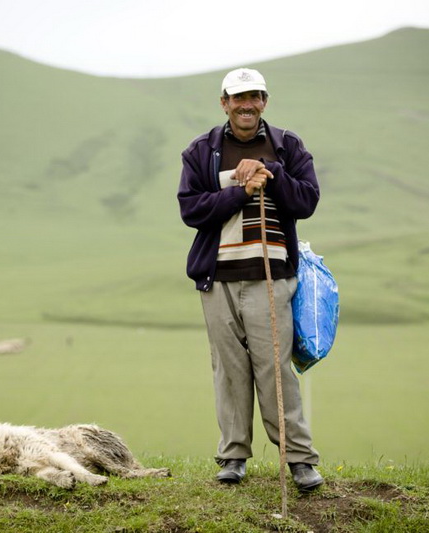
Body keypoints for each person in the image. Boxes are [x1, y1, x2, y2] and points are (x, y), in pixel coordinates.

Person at [177, 68, 323, 491]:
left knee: (274, 369)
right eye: (238, 97)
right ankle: (233, 456)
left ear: (265, 101)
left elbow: (308, 201)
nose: (247, 104)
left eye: (255, 96)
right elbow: (191, 210)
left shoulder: (287, 145)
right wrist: (240, 193)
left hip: (271, 278)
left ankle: (298, 459)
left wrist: (268, 172)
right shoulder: (202, 151)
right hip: (218, 277)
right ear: (224, 102)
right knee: (229, 370)